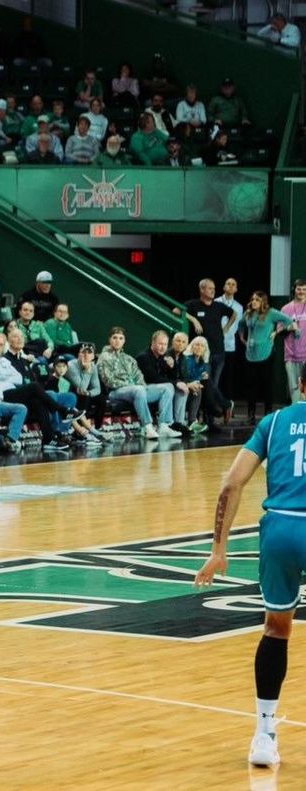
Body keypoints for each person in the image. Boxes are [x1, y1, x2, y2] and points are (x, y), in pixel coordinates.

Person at [195, 366, 306, 768]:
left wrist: (218, 549)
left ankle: (264, 734)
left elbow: (230, 484)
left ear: (300, 386)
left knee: (277, 629)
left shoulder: (274, 422)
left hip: (280, 529)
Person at [241, 291, 296, 423]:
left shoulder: (271, 313)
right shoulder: (248, 313)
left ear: (263, 302)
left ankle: (268, 415)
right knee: (251, 386)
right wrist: (243, 338)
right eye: (253, 299)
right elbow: (241, 325)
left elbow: (289, 321)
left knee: (267, 385)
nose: (254, 301)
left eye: (257, 300)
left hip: (266, 353)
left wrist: (276, 332)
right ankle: (251, 415)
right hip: (251, 354)